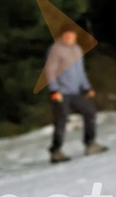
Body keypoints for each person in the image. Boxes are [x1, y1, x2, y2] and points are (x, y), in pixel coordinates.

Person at [44, 24, 108, 163]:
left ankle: (90, 144)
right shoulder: (55, 49)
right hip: (61, 93)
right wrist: (54, 90)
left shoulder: (77, 49)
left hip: (76, 92)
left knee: (90, 112)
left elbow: (80, 72)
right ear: (61, 35)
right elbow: (50, 70)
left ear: (75, 35)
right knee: (61, 121)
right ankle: (56, 151)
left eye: (72, 34)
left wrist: (86, 87)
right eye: (66, 34)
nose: (69, 37)